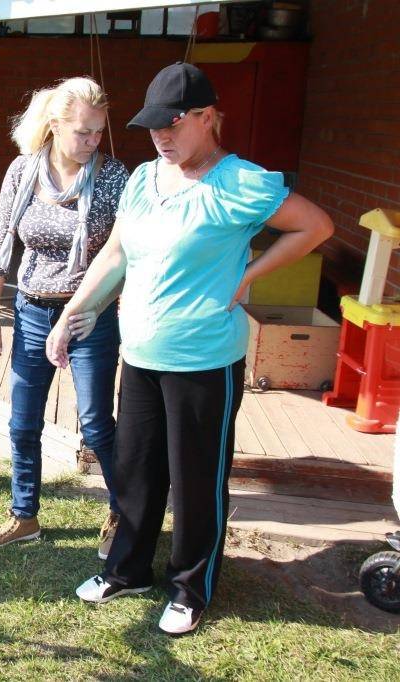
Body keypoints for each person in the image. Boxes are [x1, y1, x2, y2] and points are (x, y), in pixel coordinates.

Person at [48, 63, 333, 634]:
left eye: (172, 124)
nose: (161, 136)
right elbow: (116, 255)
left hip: (204, 360)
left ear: (206, 117)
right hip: (141, 355)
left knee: (197, 479)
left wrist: (249, 275)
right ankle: (127, 570)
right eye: (153, 126)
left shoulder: (241, 182)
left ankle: (189, 588)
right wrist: (73, 314)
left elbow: (316, 226)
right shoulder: (143, 179)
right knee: (136, 472)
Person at [0, 78, 128, 557]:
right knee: (23, 423)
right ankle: (24, 516)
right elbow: (1, 241)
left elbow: (123, 257)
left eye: (98, 132)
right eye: (83, 131)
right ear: (55, 126)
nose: (92, 141)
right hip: (32, 310)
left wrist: (92, 308)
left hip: (90, 315)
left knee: (96, 424)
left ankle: (124, 514)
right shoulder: (23, 171)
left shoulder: (113, 177)